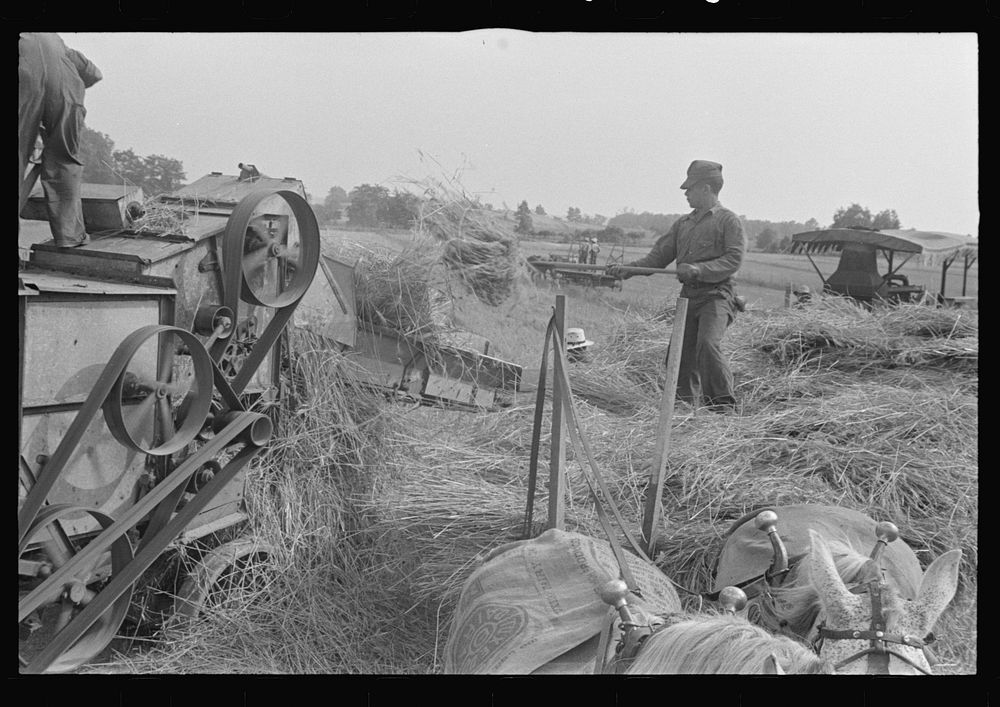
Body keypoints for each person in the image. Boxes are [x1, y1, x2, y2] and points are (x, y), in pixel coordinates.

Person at [607, 160, 746, 412]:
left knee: (707, 344)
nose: (686, 193)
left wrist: (699, 269)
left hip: (717, 296)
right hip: (689, 298)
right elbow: (656, 259)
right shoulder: (683, 225)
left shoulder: (728, 221)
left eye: (690, 188)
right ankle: (683, 410)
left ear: (705, 188)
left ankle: (723, 408)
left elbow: (733, 260)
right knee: (680, 355)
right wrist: (627, 270)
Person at [18, 32, 103, 247]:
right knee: (64, 161)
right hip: (65, 89)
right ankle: (70, 236)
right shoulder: (55, 40)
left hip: (23, 80)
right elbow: (95, 73)